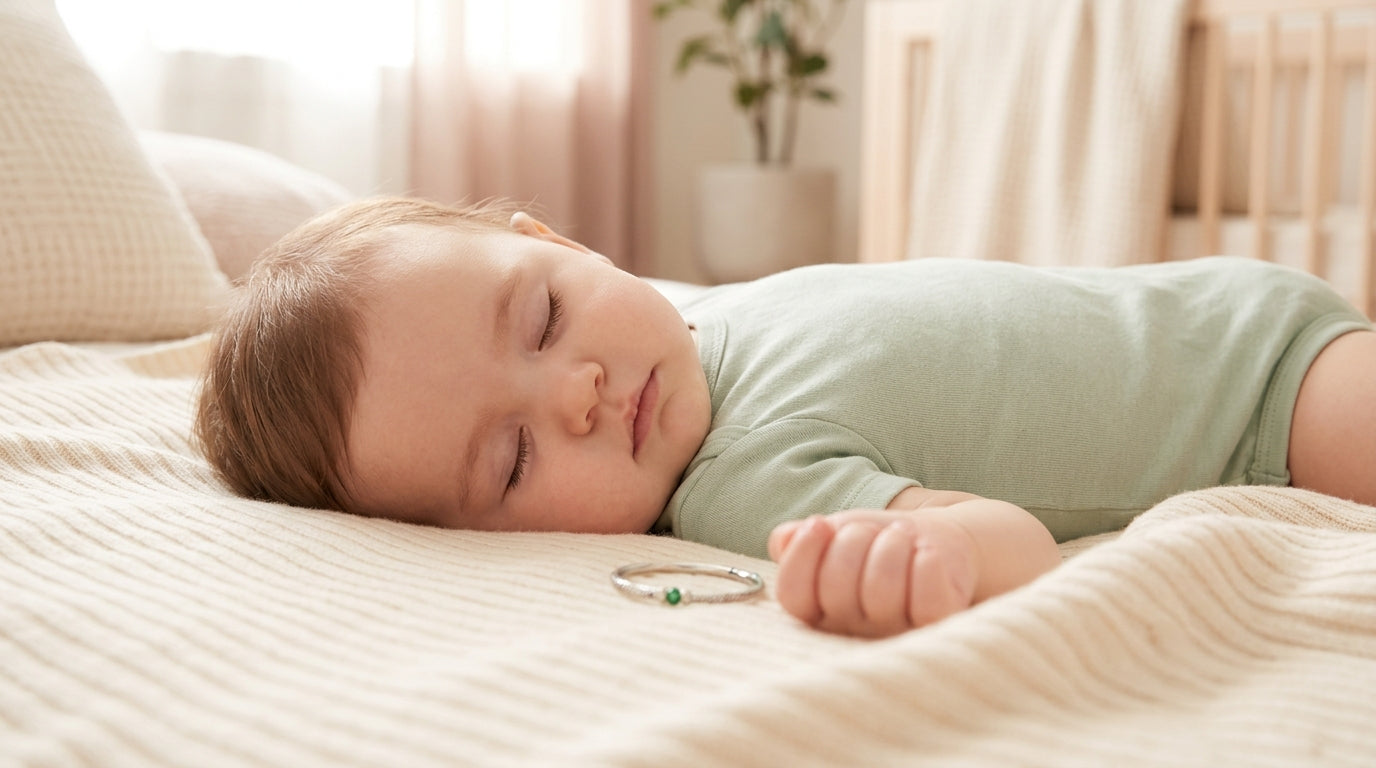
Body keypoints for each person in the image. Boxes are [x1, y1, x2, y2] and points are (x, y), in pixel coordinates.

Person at [196, 196, 1376, 638]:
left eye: (544, 316)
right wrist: (921, 556)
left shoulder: (702, 319)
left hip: (1225, 312)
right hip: (1267, 414)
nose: (576, 393)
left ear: (554, 241)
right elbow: (1012, 541)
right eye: (511, 459)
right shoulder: (743, 484)